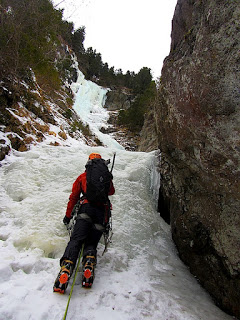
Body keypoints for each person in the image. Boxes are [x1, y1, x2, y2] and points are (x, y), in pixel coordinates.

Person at [53, 152, 115, 293]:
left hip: (85, 209)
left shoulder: (82, 177)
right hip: (102, 213)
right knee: (91, 243)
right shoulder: (105, 178)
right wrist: (107, 178)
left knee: (76, 240)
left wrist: (68, 216)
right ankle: (88, 264)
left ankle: (67, 267)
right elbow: (111, 192)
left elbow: (74, 197)